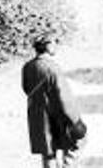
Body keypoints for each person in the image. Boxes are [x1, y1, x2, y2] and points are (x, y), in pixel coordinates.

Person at [22, 35, 84, 168]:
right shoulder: (53, 68)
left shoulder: (27, 67)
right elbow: (64, 97)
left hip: (37, 115)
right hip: (56, 115)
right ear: (47, 47)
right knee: (77, 142)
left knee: (48, 153)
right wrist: (75, 120)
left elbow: (26, 89)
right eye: (54, 43)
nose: (55, 46)